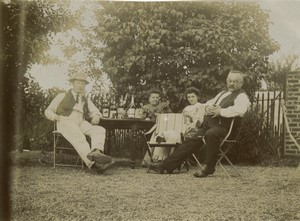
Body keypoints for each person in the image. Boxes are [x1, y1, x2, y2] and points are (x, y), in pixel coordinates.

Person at [148, 70, 250, 178]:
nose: (232, 84)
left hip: (227, 128)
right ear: (226, 81)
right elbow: (207, 104)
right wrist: (208, 107)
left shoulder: (241, 96)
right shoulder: (222, 93)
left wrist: (221, 111)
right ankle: (165, 166)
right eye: (230, 81)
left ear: (241, 83)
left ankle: (209, 168)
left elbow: (240, 110)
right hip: (211, 125)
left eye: (235, 81)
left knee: (211, 134)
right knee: (191, 140)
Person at [45, 72, 114, 173]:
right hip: (65, 121)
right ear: (73, 84)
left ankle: (96, 152)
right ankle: (95, 164)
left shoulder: (85, 99)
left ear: (85, 86)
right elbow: (48, 111)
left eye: (83, 84)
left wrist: (96, 116)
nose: (80, 86)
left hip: (80, 122)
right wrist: (57, 117)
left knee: (99, 130)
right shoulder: (62, 96)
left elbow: (95, 111)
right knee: (79, 136)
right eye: (78, 83)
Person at [141, 89, 172, 165]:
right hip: (148, 128)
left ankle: (154, 158)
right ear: (149, 99)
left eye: (157, 97)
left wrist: (161, 116)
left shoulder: (163, 105)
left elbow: (170, 116)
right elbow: (141, 117)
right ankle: (150, 158)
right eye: (153, 97)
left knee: (158, 134)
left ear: (159, 98)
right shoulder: (145, 107)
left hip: (162, 127)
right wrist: (143, 115)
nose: (155, 99)